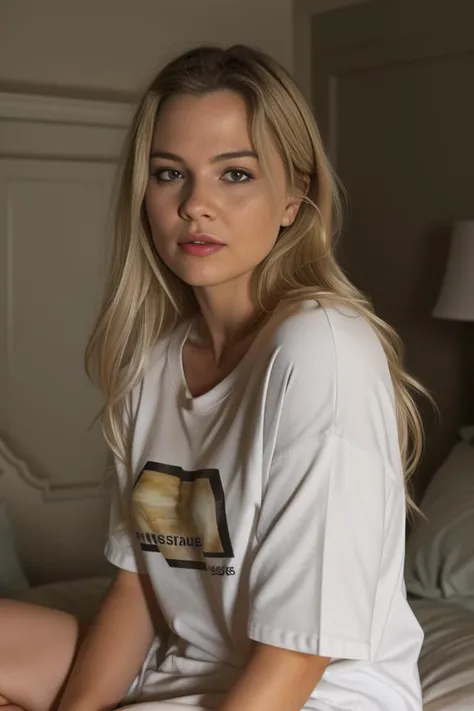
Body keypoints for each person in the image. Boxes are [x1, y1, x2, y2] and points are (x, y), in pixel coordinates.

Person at [0, 45, 427, 711]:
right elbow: (139, 586)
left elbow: (298, 652)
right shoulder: (155, 360)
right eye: (170, 173)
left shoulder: (321, 350)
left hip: (316, 694)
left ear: (295, 195)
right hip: (183, 667)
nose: (195, 205)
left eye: (234, 175)